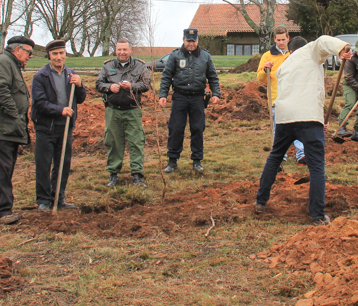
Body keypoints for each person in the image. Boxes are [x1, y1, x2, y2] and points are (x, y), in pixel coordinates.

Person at [253, 35, 354, 224]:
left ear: (290, 50)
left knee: (275, 157)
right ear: (305, 46)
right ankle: (317, 215)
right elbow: (323, 40)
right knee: (316, 167)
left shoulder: (284, 65)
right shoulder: (310, 52)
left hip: (285, 117)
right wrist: (341, 48)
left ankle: (260, 201)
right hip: (307, 117)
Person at [0, 35, 35, 225]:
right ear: (17, 49)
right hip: (0, 130)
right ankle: (1, 212)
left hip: (7, 130)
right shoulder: (4, 63)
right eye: (29, 52)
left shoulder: (12, 65)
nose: (30, 56)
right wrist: (16, 116)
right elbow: (1, 91)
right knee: (1, 171)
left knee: (5, 169)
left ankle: (4, 208)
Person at [31, 40, 87, 211]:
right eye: (55, 54)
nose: (58, 57)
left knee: (63, 163)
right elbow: (40, 103)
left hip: (65, 127)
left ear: (65, 55)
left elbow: (81, 98)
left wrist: (80, 85)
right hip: (46, 127)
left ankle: (58, 197)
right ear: (49, 56)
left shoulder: (71, 75)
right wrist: (59, 110)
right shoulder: (40, 77)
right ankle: (43, 200)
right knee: (44, 163)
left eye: (61, 53)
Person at [158, 28, 221, 172]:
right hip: (179, 97)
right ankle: (172, 161)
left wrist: (216, 93)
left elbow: (213, 76)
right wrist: (163, 95)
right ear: (183, 40)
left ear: (197, 40)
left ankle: (197, 161)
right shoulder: (175, 56)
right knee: (175, 128)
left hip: (198, 98)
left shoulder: (205, 56)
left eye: (193, 40)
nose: (191, 43)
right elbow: (166, 77)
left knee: (198, 128)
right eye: (188, 40)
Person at [96, 38, 151, 187]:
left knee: (136, 142)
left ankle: (137, 175)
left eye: (125, 50)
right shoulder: (108, 66)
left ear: (130, 50)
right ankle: (113, 174)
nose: (122, 52)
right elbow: (99, 84)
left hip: (133, 110)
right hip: (113, 111)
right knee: (113, 142)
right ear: (115, 50)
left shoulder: (140, 66)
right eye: (119, 50)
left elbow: (146, 84)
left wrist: (132, 86)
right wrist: (109, 87)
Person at [256, 27, 306, 164]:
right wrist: (265, 68)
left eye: (283, 39)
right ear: (274, 39)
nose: (281, 42)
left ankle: (301, 154)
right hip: (276, 98)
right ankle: (280, 155)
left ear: (288, 38)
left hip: (294, 97)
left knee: (297, 126)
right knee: (278, 129)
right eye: (278, 40)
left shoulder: (293, 54)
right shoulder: (267, 56)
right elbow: (261, 78)